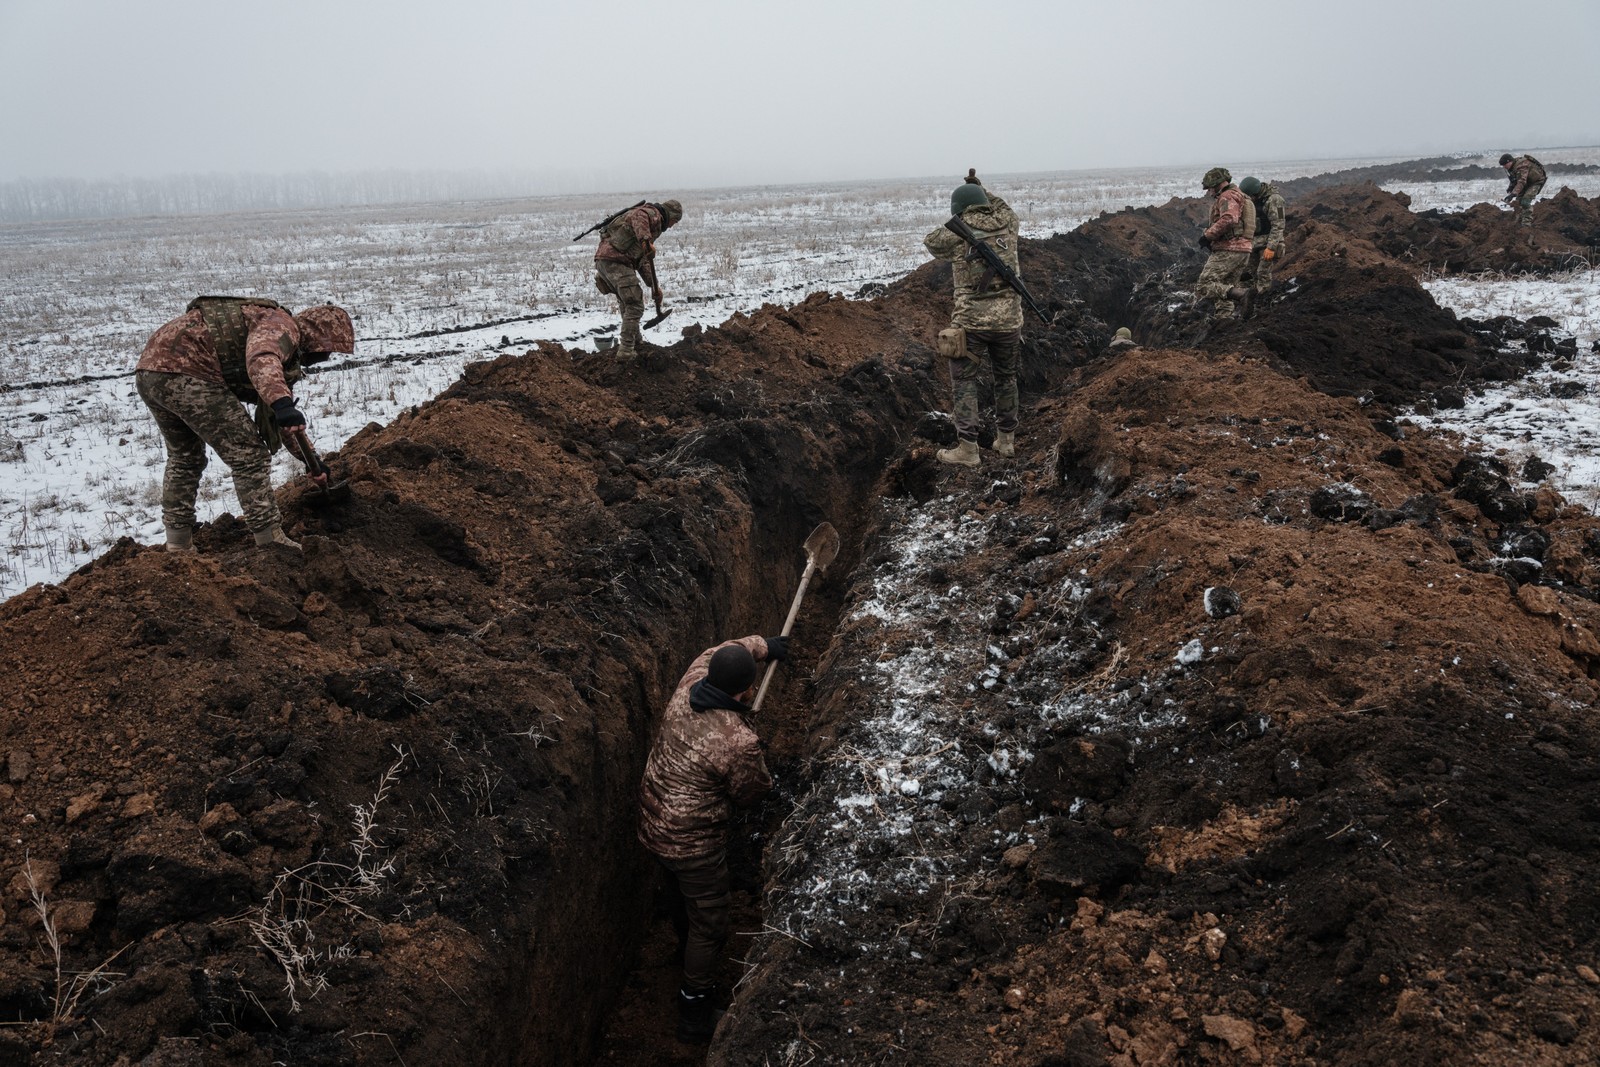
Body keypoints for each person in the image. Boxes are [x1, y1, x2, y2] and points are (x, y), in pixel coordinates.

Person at [637, 634, 788, 1043]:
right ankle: (694, 1012)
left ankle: (680, 950)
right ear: (746, 690)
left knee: (678, 895)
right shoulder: (737, 743)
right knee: (711, 922)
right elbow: (751, 793)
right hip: (693, 844)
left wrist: (764, 646)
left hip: (652, 821)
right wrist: (751, 746)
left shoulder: (691, 682)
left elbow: (723, 647)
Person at [136, 296, 355, 553]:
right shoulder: (283, 326)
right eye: (325, 350)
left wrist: (312, 461)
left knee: (185, 458)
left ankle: (178, 544)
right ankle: (270, 539)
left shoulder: (280, 357)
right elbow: (261, 357)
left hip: (150, 372)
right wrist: (282, 402)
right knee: (249, 454)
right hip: (191, 371)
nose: (324, 357)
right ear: (316, 334)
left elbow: (284, 421)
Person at [923, 170, 1024, 468]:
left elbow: (931, 242)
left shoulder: (957, 230)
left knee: (965, 381)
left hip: (971, 323)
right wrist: (982, 190)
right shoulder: (1009, 221)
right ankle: (1006, 441)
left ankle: (968, 449)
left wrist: (963, 215)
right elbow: (1001, 205)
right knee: (1006, 378)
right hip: (1009, 321)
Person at [593, 199, 683, 363]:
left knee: (627, 302)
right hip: (616, 261)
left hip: (606, 261)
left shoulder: (653, 225)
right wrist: (646, 240)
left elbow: (642, 260)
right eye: (674, 222)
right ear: (670, 215)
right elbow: (637, 215)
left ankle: (635, 341)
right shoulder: (652, 214)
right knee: (634, 304)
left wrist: (654, 285)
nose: (671, 226)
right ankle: (626, 351)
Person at [1195, 167, 1257, 326]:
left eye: (1210, 188)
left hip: (1229, 249)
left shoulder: (1227, 196)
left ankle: (1243, 295)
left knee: (1204, 285)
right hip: (1243, 249)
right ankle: (1224, 323)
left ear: (1217, 183)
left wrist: (1208, 236)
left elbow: (1229, 218)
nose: (1209, 192)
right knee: (1225, 289)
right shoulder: (1240, 196)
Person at [1238, 176, 1286, 297]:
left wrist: (1271, 247)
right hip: (1256, 243)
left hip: (1271, 242)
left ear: (1254, 193)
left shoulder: (1275, 200)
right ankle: (1252, 297)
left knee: (1262, 273)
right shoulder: (1254, 200)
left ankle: (1263, 299)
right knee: (1250, 272)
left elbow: (1279, 224)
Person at [1499, 152, 1547, 230]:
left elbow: (1522, 181)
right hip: (1527, 183)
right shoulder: (1512, 168)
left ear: (1509, 161)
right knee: (1518, 202)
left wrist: (1513, 194)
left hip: (1536, 182)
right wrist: (1511, 187)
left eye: (1505, 165)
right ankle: (1519, 220)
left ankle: (1526, 224)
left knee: (1525, 201)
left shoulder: (1522, 165)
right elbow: (1515, 179)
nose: (1504, 167)